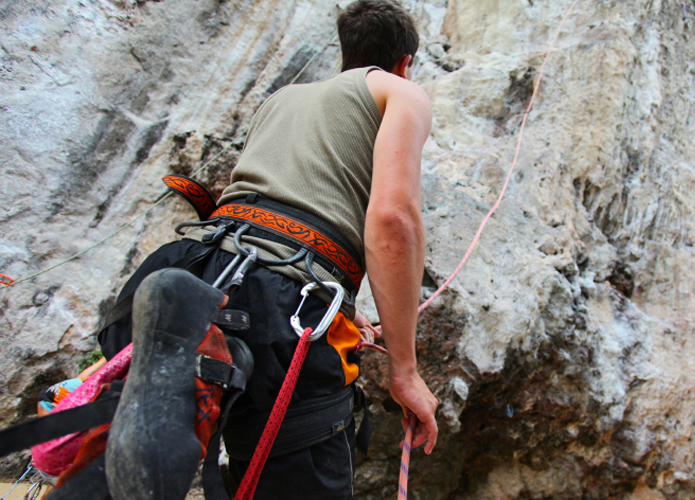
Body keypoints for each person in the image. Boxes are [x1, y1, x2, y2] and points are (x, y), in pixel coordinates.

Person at [94, 0, 440, 498]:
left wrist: (346, 309)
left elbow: (279, 205)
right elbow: (392, 220)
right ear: (405, 61)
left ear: (347, 53)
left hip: (198, 265)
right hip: (284, 308)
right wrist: (403, 371)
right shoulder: (401, 92)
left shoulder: (281, 98)